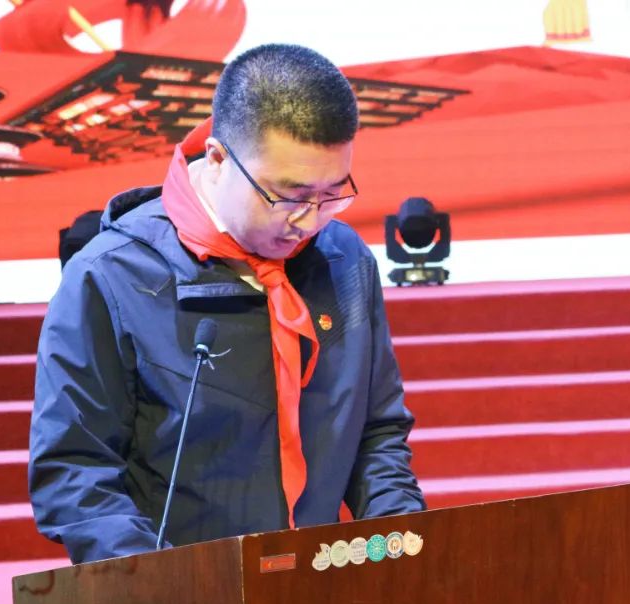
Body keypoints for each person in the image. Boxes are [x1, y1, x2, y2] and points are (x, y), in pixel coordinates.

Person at [29, 43, 426, 568]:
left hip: (318, 588)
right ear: (218, 159)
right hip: (181, 598)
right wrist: (168, 587)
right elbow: (75, 472)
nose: (309, 220)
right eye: (288, 196)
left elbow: (376, 434)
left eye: (333, 193)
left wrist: (401, 552)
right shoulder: (111, 276)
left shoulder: (344, 259)